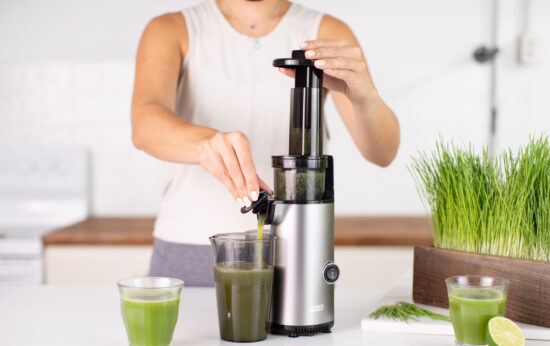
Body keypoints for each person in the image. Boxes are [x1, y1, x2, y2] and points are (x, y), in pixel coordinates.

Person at [131, 0, 400, 286]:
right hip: (188, 251)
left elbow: (382, 152)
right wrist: (205, 143)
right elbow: (145, 124)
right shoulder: (171, 29)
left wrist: (365, 96)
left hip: (292, 254)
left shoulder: (327, 32)